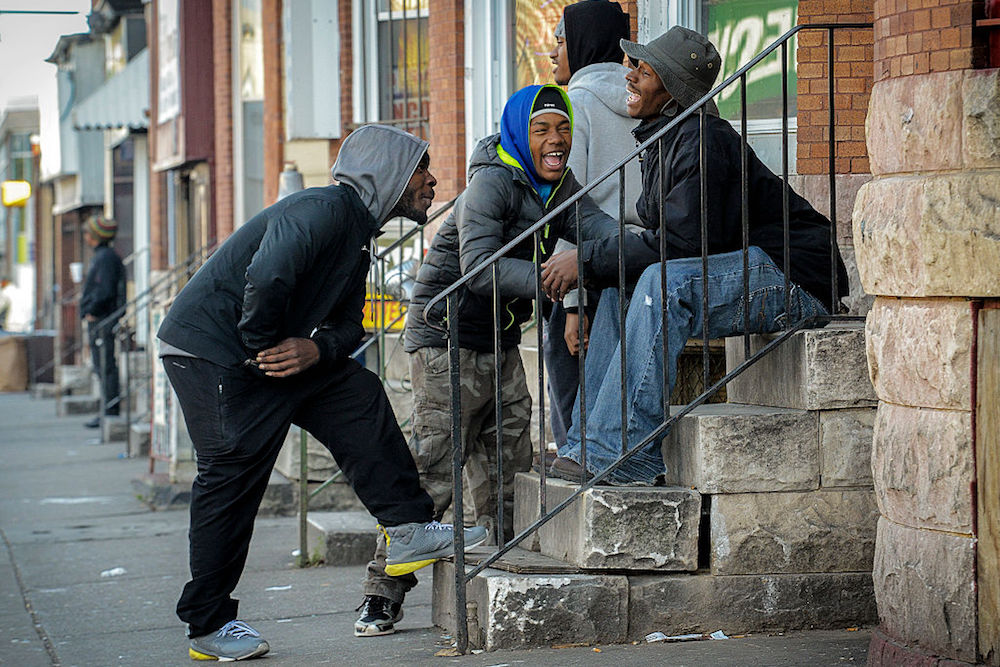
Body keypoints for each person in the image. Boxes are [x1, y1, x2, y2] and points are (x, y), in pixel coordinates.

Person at [156, 124, 487, 662]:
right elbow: (265, 279)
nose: (433, 181)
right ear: (390, 175)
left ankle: (405, 525)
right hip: (211, 353)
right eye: (422, 170)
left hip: (264, 353)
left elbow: (350, 324)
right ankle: (208, 623)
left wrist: (316, 352)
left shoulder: (357, 236)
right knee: (232, 473)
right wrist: (266, 351)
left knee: (356, 393)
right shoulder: (322, 211)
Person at [355, 85, 619, 637]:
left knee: (508, 471)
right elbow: (480, 269)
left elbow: (596, 235)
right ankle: (381, 595)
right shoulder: (491, 184)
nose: (556, 141)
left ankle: (500, 572)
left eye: (563, 128)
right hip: (444, 345)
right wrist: (558, 283)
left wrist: (622, 253)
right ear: (521, 134)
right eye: (543, 129)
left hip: (499, 347)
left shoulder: (557, 186)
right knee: (433, 476)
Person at [541, 26, 849, 484]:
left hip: (796, 275)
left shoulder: (703, 140)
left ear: (672, 87)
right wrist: (593, 262)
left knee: (662, 284)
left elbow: (681, 245)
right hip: (752, 264)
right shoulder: (667, 138)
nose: (629, 75)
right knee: (622, 283)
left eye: (641, 70)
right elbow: (668, 237)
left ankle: (626, 452)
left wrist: (584, 259)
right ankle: (589, 442)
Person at [544, 0, 642, 450]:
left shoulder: (573, 106)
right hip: (638, 253)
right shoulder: (644, 96)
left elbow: (571, 204)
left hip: (586, 266)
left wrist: (571, 303)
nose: (553, 53)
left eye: (560, 41)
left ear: (581, 43)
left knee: (566, 365)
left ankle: (575, 453)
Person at [79, 215, 125, 429]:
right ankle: (107, 408)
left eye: (88, 232)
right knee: (101, 365)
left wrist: (92, 311)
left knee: (105, 365)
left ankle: (110, 409)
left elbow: (105, 290)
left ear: (96, 236)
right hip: (101, 318)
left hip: (103, 318)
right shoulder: (103, 256)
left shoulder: (105, 258)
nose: (86, 236)